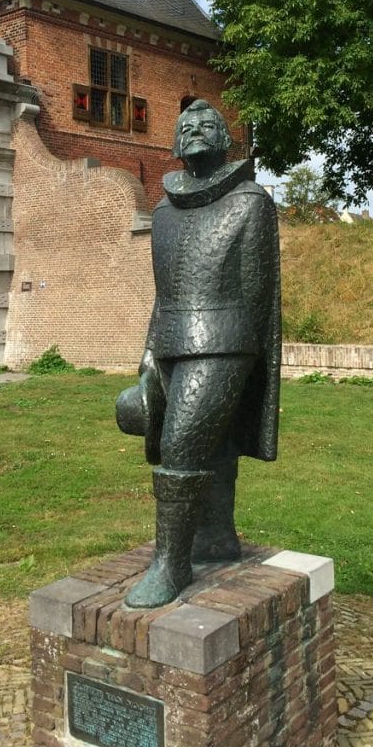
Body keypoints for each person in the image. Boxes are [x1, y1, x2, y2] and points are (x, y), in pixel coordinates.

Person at [116, 100, 281, 608]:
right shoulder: (164, 212)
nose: (195, 131)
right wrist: (147, 357)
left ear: (227, 137)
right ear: (173, 142)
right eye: (186, 126)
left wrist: (244, 362)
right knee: (205, 443)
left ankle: (171, 564)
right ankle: (215, 537)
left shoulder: (252, 202)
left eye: (207, 125)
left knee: (182, 447)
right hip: (169, 339)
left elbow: (257, 291)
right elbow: (163, 292)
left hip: (225, 340)